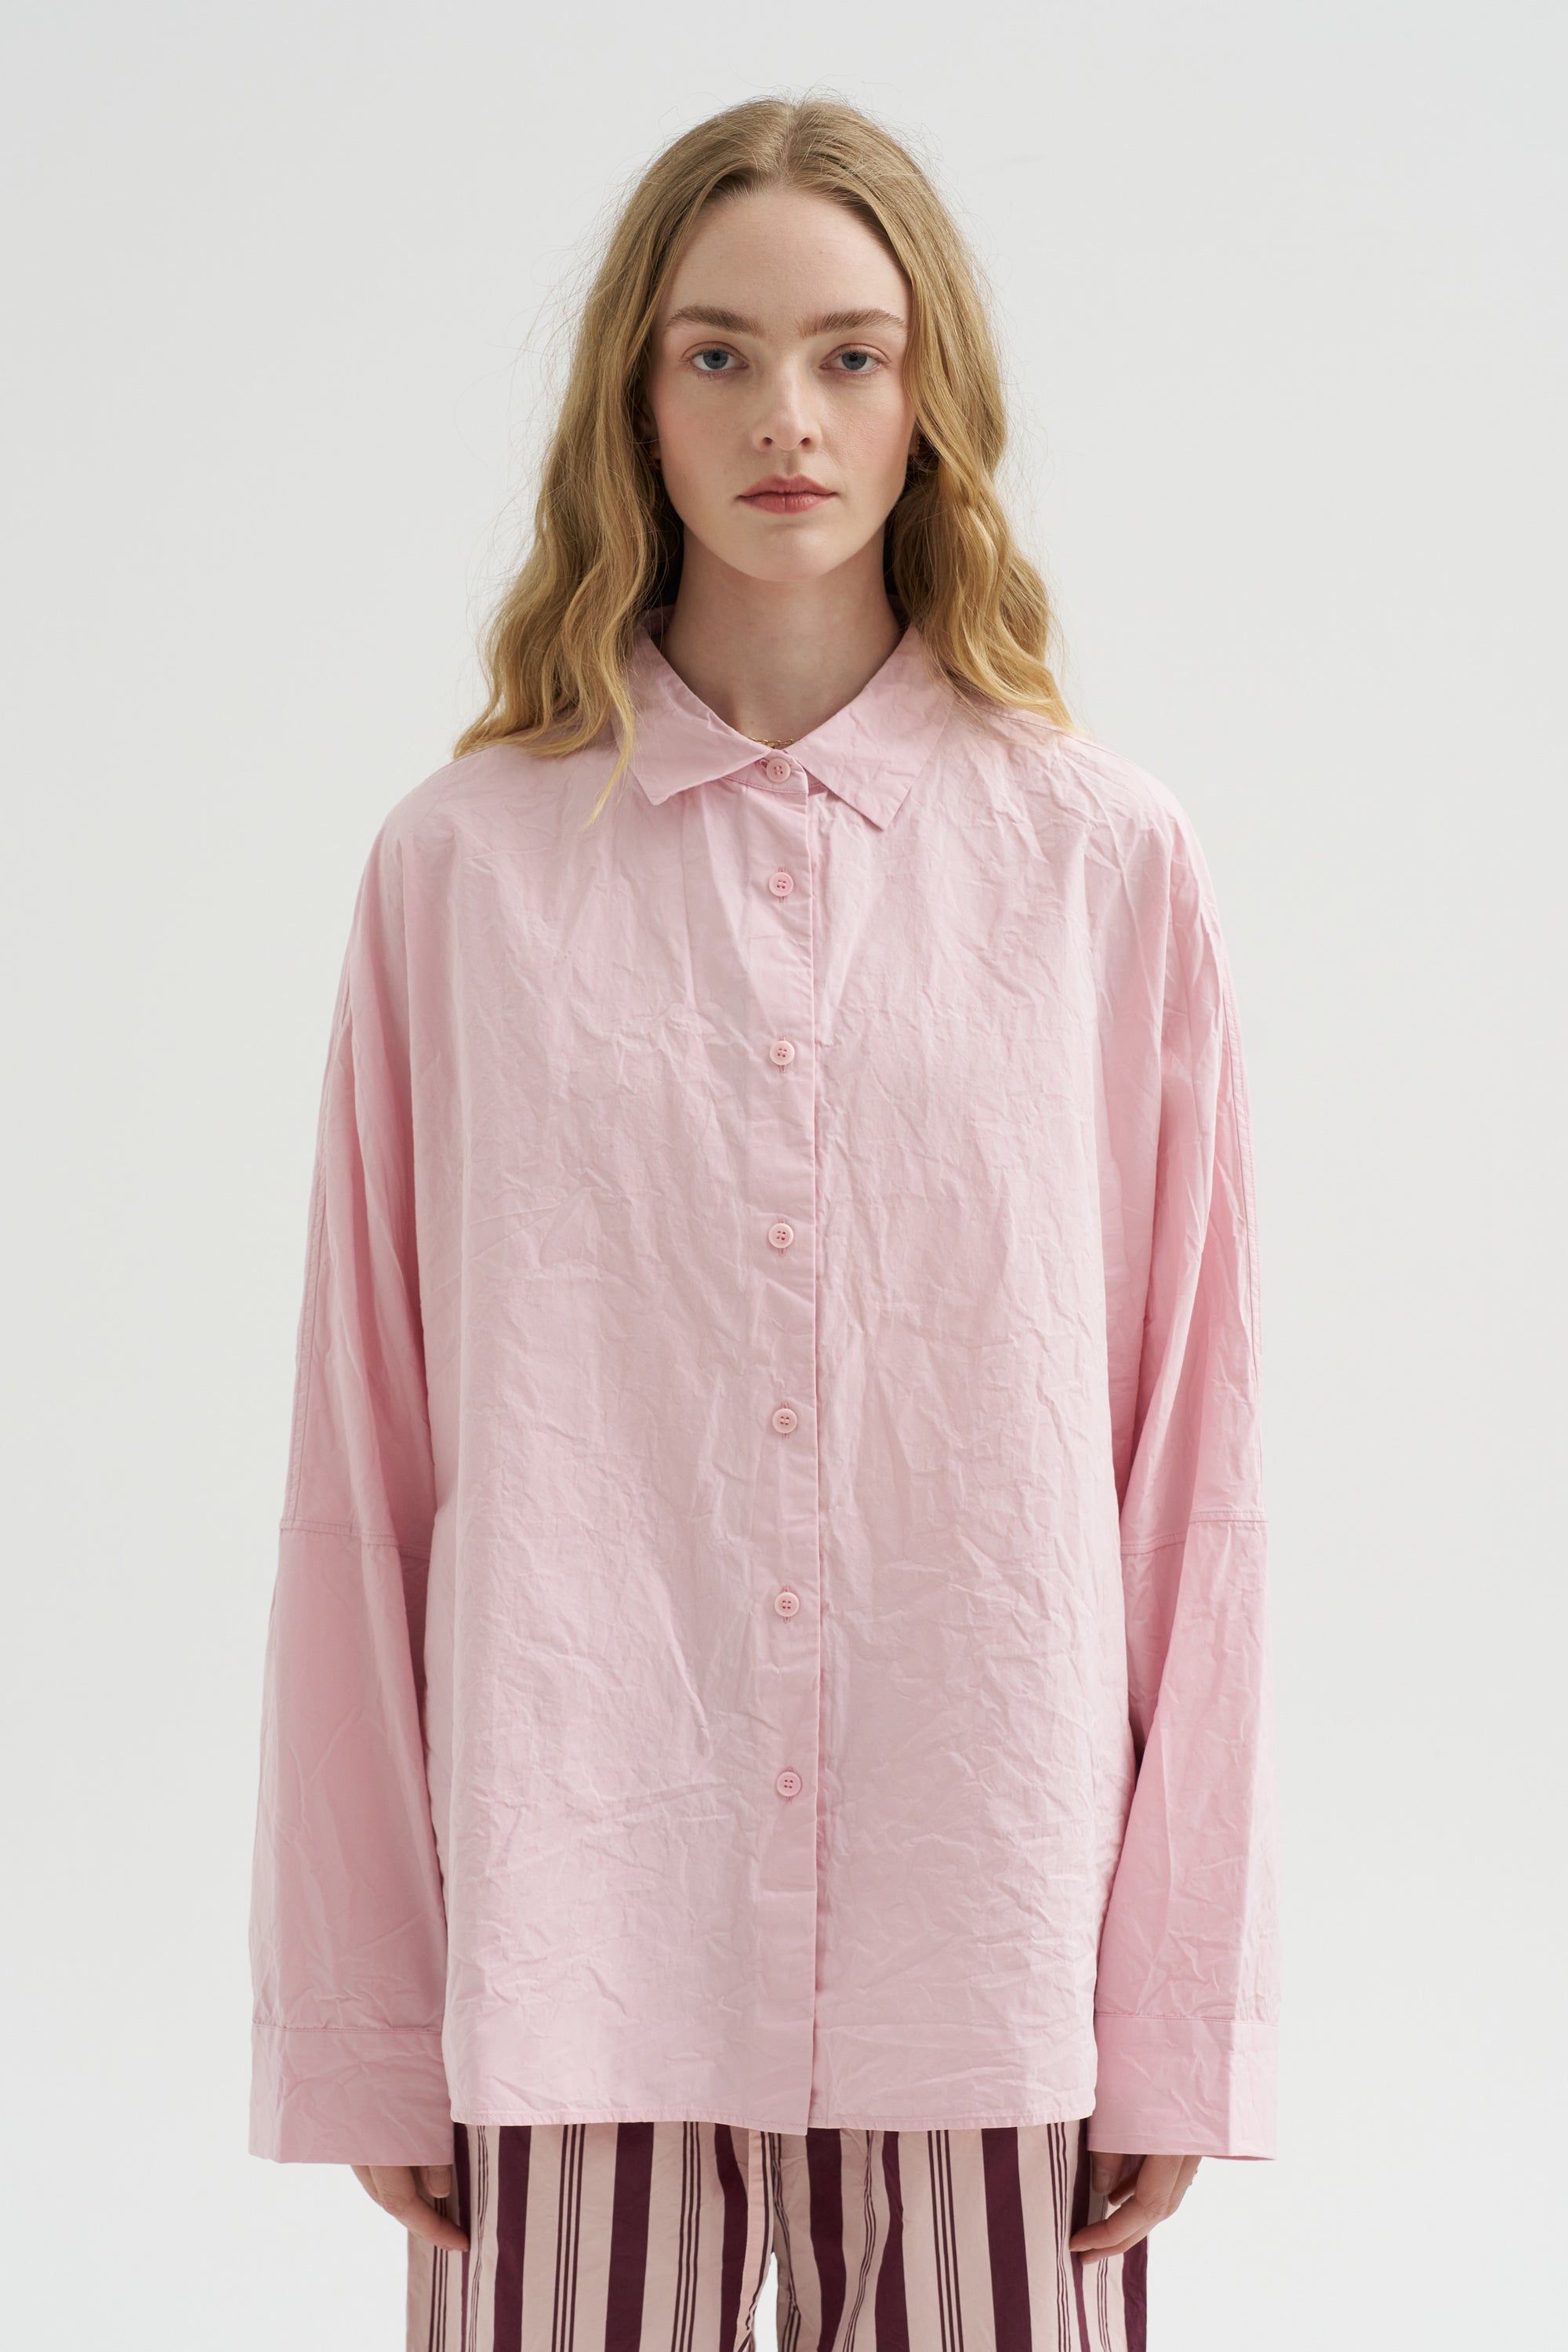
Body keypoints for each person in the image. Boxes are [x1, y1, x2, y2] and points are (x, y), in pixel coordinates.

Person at [249, 93, 1279, 2352]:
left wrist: (1178, 2006)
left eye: (848, 355)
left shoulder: (1103, 869)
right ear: (634, 399)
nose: (784, 418)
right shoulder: (463, 872)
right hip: (573, 1949)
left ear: (930, 397)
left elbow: (1191, 1475)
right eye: (715, 353)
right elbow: (365, 1472)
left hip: (989, 1950)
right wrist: (367, 2013)